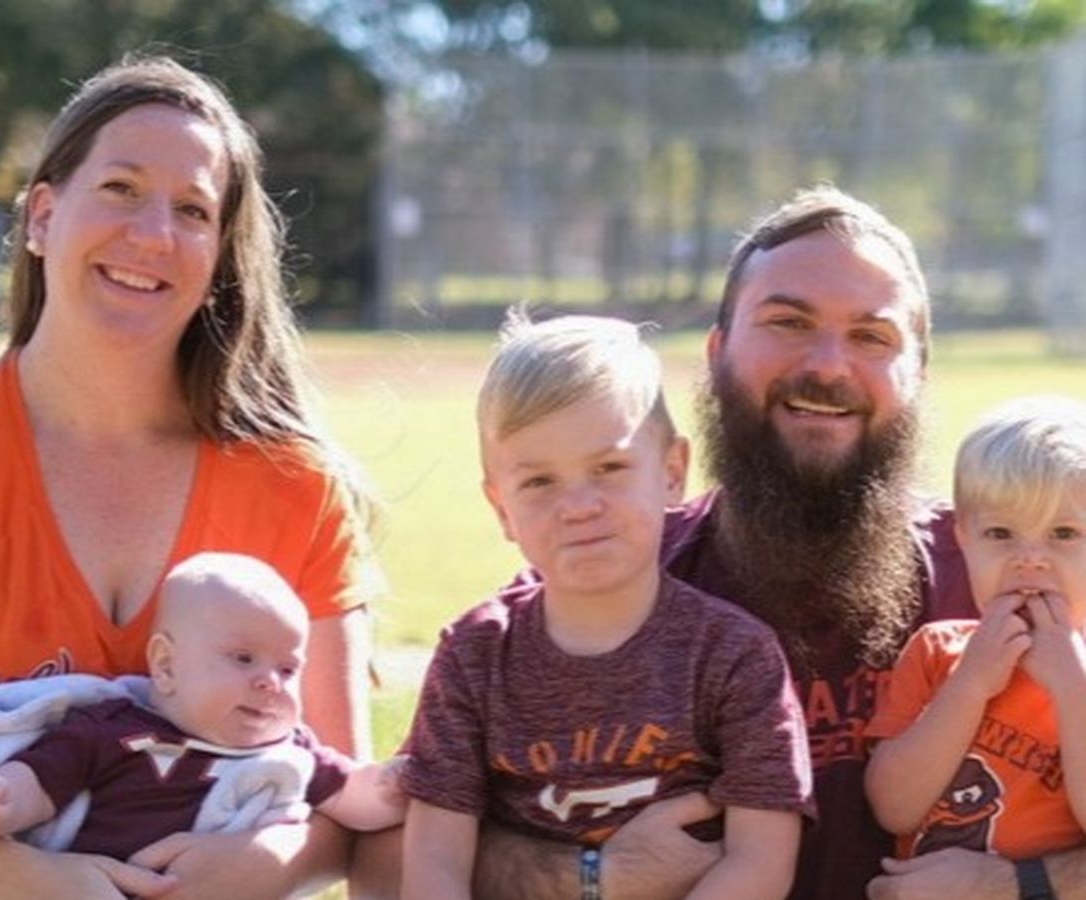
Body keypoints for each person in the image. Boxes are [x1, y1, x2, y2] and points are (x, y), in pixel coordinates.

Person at [469, 185, 1086, 900]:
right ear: (717, 352)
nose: (827, 366)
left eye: (871, 336)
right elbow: (396, 844)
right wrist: (596, 875)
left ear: (918, 373)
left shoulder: (1021, 570)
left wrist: (1021, 883)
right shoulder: (600, 584)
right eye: (788, 322)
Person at [0, 55, 382, 899]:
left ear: (219, 255)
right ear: (43, 216)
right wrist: (42, 884)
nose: (153, 235)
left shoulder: (298, 486)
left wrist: (269, 862)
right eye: (121, 188)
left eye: (192, 210)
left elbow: (347, 797)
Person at [401, 311, 814, 900]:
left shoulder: (734, 654)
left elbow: (761, 860)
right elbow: (434, 859)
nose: (578, 506)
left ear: (672, 472)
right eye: (539, 482)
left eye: (609, 468)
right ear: (500, 508)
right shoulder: (474, 654)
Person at [0, 552, 404, 857]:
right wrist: (0, 801)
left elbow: (357, 800)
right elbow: (43, 779)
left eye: (288, 669)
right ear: (166, 665)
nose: (270, 683)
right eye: (243, 659)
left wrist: (396, 784)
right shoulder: (110, 730)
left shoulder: (292, 753)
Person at [865, 396, 1086, 860]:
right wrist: (969, 684)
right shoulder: (936, 651)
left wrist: (1073, 687)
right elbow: (894, 810)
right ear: (963, 538)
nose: (1030, 559)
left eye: (1064, 534)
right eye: (1000, 534)